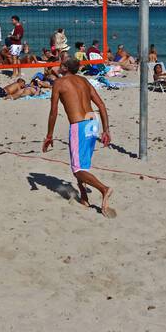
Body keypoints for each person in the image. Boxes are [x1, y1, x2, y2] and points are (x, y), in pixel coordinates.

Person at [42, 57, 114, 216]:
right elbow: (101, 105)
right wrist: (106, 129)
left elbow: (54, 111)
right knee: (82, 164)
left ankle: (104, 189)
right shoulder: (84, 81)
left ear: (65, 68)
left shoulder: (59, 83)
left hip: (79, 125)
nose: (58, 66)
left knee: (77, 169)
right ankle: (84, 197)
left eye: (61, 64)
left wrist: (49, 135)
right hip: (92, 122)